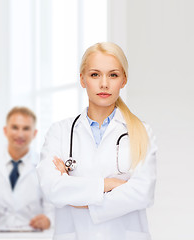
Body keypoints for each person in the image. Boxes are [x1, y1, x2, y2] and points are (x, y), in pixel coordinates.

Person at [37, 42, 157, 240]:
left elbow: (142, 193)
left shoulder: (142, 132)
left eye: (113, 75)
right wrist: (109, 184)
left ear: (124, 80)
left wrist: (77, 197)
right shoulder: (60, 132)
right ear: (83, 79)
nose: (104, 84)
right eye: (95, 75)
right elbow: (51, 188)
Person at [0, 107, 53, 231]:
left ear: (34, 133)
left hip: (32, 236)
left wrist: (48, 220)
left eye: (26, 128)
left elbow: (53, 208)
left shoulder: (46, 166)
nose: (20, 134)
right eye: (15, 127)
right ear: (5, 130)